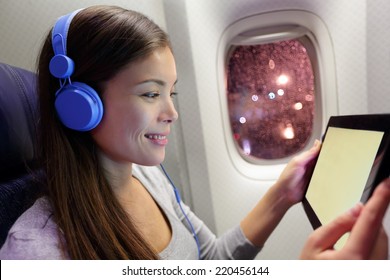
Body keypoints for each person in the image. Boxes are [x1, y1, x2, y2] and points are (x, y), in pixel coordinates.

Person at [0, 5, 388, 260]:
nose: (172, 112)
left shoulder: (149, 178)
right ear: (80, 104)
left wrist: (281, 195)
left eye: (172, 92)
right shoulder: (36, 252)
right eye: (151, 93)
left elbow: (210, 262)